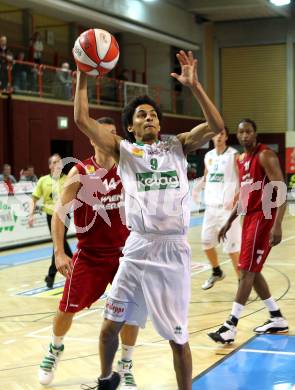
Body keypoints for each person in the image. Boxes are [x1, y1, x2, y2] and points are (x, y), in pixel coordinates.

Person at [74, 50, 224, 390]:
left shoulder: (178, 145)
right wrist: (84, 71)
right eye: (141, 115)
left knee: (177, 337)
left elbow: (216, 126)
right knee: (110, 322)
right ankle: (105, 379)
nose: (149, 118)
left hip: (171, 251)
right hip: (137, 246)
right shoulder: (124, 150)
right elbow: (83, 119)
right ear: (130, 126)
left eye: (153, 114)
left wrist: (195, 86)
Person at [38, 117, 139, 389]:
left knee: (131, 311)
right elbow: (59, 215)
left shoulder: (127, 169)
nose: (109, 140)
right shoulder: (80, 172)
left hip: (124, 253)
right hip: (90, 253)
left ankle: (126, 364)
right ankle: (54, 349)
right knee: (66, 308)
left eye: (113, 135)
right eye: (103, 135)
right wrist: (59, 252)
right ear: (92, 138)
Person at [208, 118, 288, 344]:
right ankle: (276, 317)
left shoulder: (265, 156)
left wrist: (277, 224)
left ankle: (230, 326)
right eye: (241, 132)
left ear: (255, 133)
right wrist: (228, 221)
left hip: (264, 218)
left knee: (246, 271)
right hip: (249, 218)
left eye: (248, 132)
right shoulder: (242, 160)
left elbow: (280, 190)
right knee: (252, 271)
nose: (244, 136)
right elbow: (244, 198)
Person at [196, 127, 241, 290]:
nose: (219, 137)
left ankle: (242, 283)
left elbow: (242, 178)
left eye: (222, 134)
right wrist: (198, 189)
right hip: (211, 208)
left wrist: (237, 197)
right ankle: (216, 272)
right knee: (206, 242)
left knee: (231, 249)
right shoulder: (208, 156)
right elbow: (207, 176)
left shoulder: (234, 155)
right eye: (216, 134)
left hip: (228, 209)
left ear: (227, 137)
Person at [28, 154, 73, 288]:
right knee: (60, 244)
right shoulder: (43, 180)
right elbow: (34, 199)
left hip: (64, 216)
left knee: (59, 244)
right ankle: (72, 267)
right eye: (54, 162)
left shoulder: (68, 179)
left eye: (59, 162)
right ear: (49, 166)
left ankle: (51, 276)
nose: (57, 164)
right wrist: (31, 215)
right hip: (51, 218)